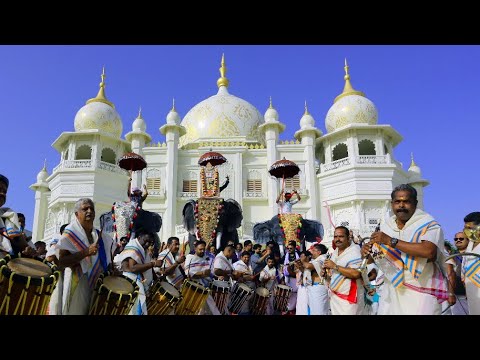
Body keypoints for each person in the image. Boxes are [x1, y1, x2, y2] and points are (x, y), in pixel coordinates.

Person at [361, 184, 448, 315]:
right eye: (397, 202)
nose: (401, 205)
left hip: (421, 286)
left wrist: (391, 241)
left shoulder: (428, 223)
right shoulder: (386, 226)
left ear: (415, 203)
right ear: (392, 204)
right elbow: (375, 259)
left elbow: (428, 251)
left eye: (406, 201)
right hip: (392, 286)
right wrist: (366, 254)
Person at [56, 198, 115, 315]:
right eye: (85, 209)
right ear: (77, 214)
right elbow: (61, 262)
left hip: (97, 285)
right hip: (77, 282)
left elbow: (106, 261)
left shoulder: (101, 236)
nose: (89, 211)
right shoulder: (70, 232)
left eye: (91, 208)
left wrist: (112, 271)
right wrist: (86, 252)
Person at [114, 230, 161, 315]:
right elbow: (133, 268)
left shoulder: (142, 249)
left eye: (150, 242)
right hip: (130, 282)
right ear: (139, 238)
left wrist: (156, 278)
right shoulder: (134, 246)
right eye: (145, 241)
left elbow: (146, 268)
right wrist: (153, 263)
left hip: (136, 282)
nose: (147, 244)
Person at [324, 226, 363, 315]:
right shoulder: (335, 252)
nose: (337, 239)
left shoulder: (354, 251)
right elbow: (334, 274)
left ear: (348, 237)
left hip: (349, 300)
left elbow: (356, 273)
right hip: (335, 297)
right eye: (335, 237)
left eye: (341, 236)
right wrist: (326, 274)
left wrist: (335, 266)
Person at [0, 174, 29, 256]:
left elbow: (23, 245)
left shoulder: (9, 217)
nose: (2, 193)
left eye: (5, 191)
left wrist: (27, 250)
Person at [300, 243, 330, 315]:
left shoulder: (323, 259)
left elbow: (308, 266)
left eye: (313, 250)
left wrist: (303, 261)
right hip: (313, 288)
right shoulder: (315, 260)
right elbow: (305, 271)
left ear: (319, 252)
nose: (311, 252)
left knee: (319, 311)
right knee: (313, 310)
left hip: (319, 288)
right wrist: (299, 266)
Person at [462, 212, 480, 315]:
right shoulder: (470, 244)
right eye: (465, 228)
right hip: (471, 290)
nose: (466, 231)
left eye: (470, 228)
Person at [281, 240, 300, 314]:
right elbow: (282, 266)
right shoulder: (285, 255)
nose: (289, 250)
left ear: (295, 248)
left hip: (296, 277)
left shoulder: (298, 254)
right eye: (288, 248)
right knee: (288, 293)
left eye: (291, 248)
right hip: (288, 278)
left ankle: (294, 309)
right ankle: (288, 309)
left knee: (296, 293)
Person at [295, 250, 312, 315]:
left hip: (308, 288)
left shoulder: (311, 264)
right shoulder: (299, 265)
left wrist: (300, 266)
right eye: (300, 256)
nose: (300, 257)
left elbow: (305, 272)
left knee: (306, 305)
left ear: (308, 257)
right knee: (300, 305)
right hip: (301, 288)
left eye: (302, 256)